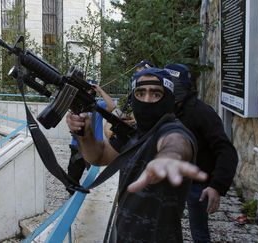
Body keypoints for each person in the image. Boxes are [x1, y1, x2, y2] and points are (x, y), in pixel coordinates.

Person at [66, 67, 207, 242]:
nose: (147, 100)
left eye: (156, 94)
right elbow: (98, 157)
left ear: (169, 99)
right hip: (122, 233)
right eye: (140, 93)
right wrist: (84, 134)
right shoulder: (133, 133)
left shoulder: (173, 129)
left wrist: (168, 157)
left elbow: (177, 143)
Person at [164, 63, 238, 243]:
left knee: (199, 232)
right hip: (171, 179)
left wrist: (217, 186)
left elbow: (226, 150)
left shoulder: (202, 113)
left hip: (197, 184)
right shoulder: (166, 111)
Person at [67, 80, 115, 193]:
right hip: (77, 147)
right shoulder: (76, 105)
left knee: (94, 176)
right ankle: (72, 196)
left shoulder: (98, 106)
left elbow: (112, 106)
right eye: (86, 89)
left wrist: (99, 90)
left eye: (91, 89)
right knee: (72, 177)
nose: (89, 92)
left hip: (95, 147)